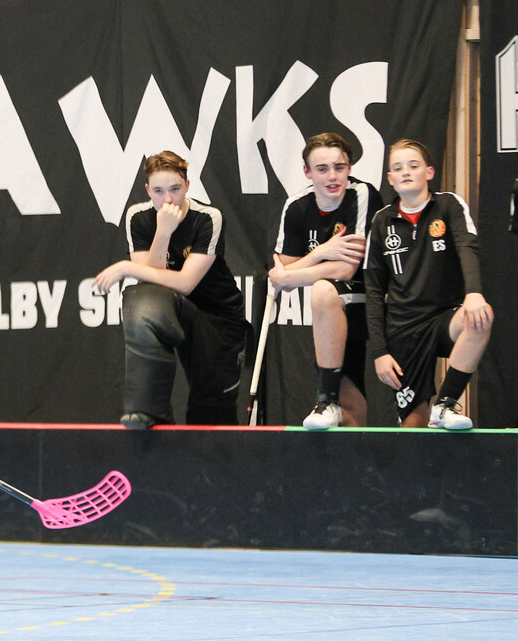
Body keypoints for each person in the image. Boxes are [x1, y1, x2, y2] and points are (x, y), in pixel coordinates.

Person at [92, 151, 247, 428]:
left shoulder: (208, 217)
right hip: (169, 305)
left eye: (175, 189)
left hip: (215, 315)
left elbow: (186, 283)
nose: (168, 200)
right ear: (147, 190)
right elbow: (151, 284)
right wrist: (163, 232)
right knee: (142, 300)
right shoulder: (138, 217)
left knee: (212, 409)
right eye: (159, 191)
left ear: (187, 186)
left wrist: (127, 268)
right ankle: (147, 409)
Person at [364, 138, 493, 430]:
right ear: (390, 179)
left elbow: (467, 247)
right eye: (398, 168)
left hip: (443, 318)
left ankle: (445, 404)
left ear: (429, 172)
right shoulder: (382, 221)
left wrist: (474, 293)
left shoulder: (448, 205)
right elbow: (373, 291)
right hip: (403, 328)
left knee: (481, 317)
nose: (406, 172)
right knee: (414, 426)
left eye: (413, 165)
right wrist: (380, 352)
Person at [269, 133, 383, 429]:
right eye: (322, 169)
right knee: (350, 395)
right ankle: (335, 410)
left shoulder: (362, 194)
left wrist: (289, 276)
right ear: (307, 172)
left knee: (322, 289)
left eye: (339, 167)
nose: (332, 177)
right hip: (335, 305)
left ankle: (326, 399)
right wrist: (322, 252)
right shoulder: (297, 205)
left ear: (350, 168)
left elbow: (346, 269)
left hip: (372, 295)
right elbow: (284, 271)